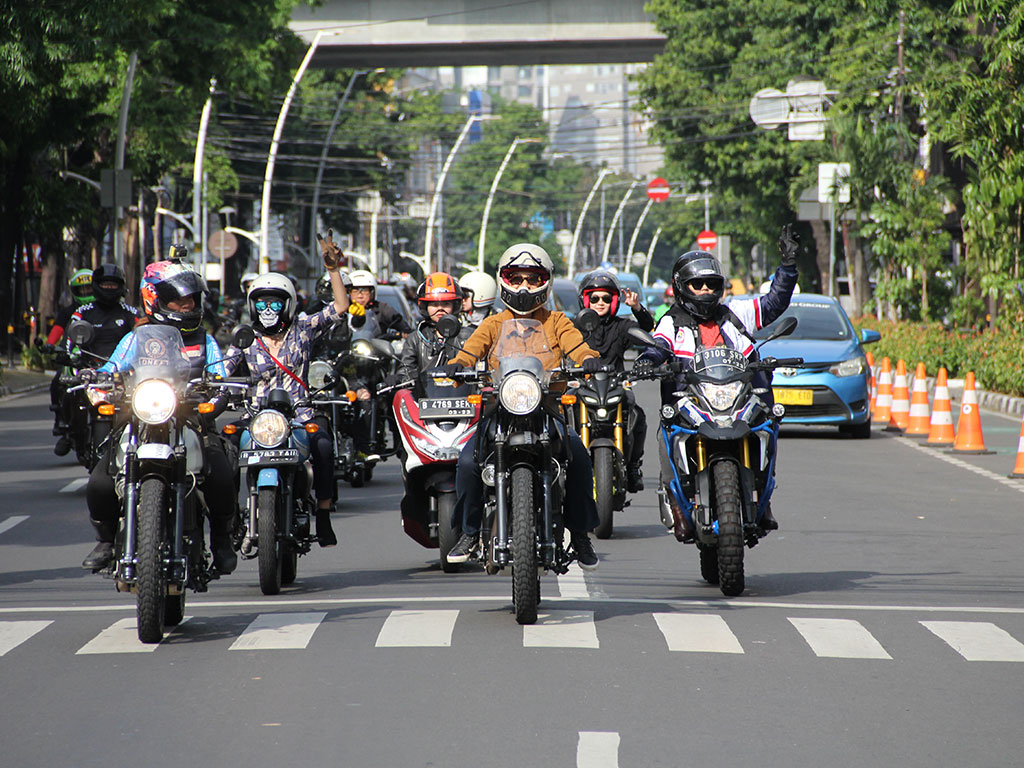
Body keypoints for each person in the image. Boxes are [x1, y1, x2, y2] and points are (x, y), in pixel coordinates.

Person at [443, 243, 603, 569]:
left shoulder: (558, 321)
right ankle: (470, 533)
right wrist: (457, 364)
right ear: (504, 281)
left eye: (533, 278)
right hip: (498, 412)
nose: (524, 286)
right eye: (516, 278)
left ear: (546, 281)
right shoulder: (492, 324)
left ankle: (581, 534)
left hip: (547, 410)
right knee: (467, 464)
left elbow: (578, 346)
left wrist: (588, 360)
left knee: (581, 459)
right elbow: (471, 350)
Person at [634, 224, 801, 534]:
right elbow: (658, 346)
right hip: (690, 404)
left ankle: (763, 498)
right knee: (665, 436)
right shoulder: (672, 322)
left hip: (739, 399)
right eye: (698, 285)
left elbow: (774, 302)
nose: (706, 291)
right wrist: (647, 360)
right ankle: (677, 505)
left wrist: (788, 265)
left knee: (767, 429)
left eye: (712, 284)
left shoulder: (736, 313)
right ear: (682, 286)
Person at [81, 260, 238, 574]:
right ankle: (107, 541)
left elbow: (221, 376)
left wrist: (219, 395)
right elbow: (109, 370)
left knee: (222, 472)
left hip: (191, 421)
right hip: (139, 420)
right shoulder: (134, 339)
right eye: (179, 300)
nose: (187, 305)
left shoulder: (205, 341)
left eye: (191, 299)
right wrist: (94, 380)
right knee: (99, 480)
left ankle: (222, 539)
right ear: (155, 299)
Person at [222, 233, 351, 548]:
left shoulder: (304, 329)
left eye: (275, 303)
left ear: (288, 305)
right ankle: (228, 520)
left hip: (299, 414)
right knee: (221, 450)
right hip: (256, 418)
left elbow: (341, 307)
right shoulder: (245, 338)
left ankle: (322, 513)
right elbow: (223, 371)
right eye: (262, 303)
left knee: (322, 444)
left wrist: (333, 269)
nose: (269, 309)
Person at [574, 270, 654, 492]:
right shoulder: (574, 327)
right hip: (581, 387)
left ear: (615, 301)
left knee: (638, 415)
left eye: (607, 298)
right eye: (595, 298)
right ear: (586, 299)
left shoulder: (622, 326)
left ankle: (633, 466)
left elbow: (646, 330)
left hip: (614, 386)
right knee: (560, 416)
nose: (601, 303)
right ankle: (563, 466)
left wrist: (637, 309)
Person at [52, 264, 140, 456]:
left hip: (123, 373)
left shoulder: (131, 313)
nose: (109, 288)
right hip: (90, 370)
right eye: (105, 284)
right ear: (97, 286)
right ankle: (72, 433)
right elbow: (70, 341)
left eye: (113, 284)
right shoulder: (83, 312)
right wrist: (73, 358)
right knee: (70, 394)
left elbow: (145, 339)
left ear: (121, 287)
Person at [45, 268, 94, 452]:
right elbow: (57, 330)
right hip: (74, 357)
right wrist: (50, 345)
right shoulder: (69, 312)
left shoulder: (103, 309)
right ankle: (61, 421)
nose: (86, 293)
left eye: (89, 288)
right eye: (82, 290)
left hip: (99, 359)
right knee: (58, 382)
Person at [397, 272, 466, 383]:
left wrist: (462, 367)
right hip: (424, 396)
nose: (440, 309)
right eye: (434, 304)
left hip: (461, 396)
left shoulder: (469, 336)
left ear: (455, 306)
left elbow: (479, 370)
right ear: (425, 306)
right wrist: (400, 378)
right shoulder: (415, 338)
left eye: (446, 304)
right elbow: (405, 371)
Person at [348, 269, 412, 339]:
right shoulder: (343, 310)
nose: (360, 296)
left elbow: (399, 322)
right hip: (349, 347)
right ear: (349, 293)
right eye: (355, 291)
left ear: (372, 293)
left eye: (364, 291)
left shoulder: (382, 308)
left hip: (376, 347)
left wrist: (404, 332)